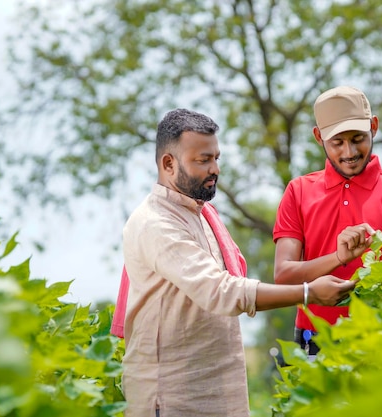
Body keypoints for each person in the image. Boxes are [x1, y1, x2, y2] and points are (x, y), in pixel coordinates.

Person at [114, 108, 356, 417]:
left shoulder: (203, 216)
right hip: (172, 398)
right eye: (203, 160)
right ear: (168, 164)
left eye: (216, 158)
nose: (214, 169)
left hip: (217, 392)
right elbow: (222, 292)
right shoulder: (156, 224)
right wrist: (308, 294)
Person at [273, 86, 382, 355]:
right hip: (315, 340)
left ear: (374, 126)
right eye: (337, 142)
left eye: (358, 138)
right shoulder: (298, 192)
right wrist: (338, 257)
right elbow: (284, 276)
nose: (350, 152)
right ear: (318, 137)